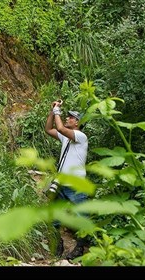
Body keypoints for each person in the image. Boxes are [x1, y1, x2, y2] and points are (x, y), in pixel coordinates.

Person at [44, 99, 89, 260]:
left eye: (71, 117)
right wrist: (52, 110)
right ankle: (58, 244)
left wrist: (58, 111)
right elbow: (48, 129)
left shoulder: (80, 136)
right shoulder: (65, 138)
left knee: (82, 217)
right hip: (62, 185)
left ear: (77, 123)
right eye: (68, 116)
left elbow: (60, 128)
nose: (67, 118)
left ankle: (79, 249)